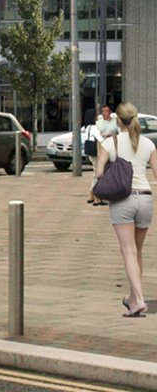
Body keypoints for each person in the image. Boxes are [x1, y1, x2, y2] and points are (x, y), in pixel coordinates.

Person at [95, 102, 157, 316]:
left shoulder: (109, 143)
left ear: (117, 120)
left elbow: (99, 173)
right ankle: (132, 298)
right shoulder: (148, 143)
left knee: (128, 251)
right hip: (146, 199)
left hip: (123, 200)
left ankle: (139, 300)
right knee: (137, 252)